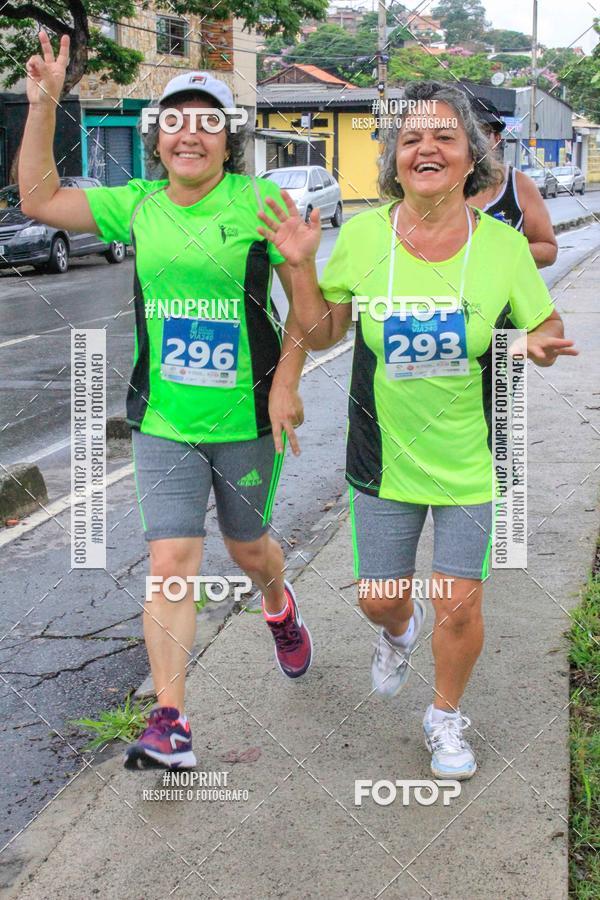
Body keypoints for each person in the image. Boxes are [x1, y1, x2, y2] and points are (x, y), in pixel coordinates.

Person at [257, 80, 577, 780]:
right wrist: (299, 267)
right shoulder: (367, 235)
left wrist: (538, 342)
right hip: (383, 457)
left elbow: (542, 325)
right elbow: (320, 329)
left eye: (443, 136)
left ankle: (444, 716)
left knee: (458, 603)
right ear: (394, 161)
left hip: (468, 454)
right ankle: (398, 633)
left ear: (472, 158)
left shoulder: (501, 247)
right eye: (409, 138)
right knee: (379, 597)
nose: (425, 147)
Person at [20, 32, 313, 770]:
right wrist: (45, 104)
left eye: (207, 119)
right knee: (171, 559)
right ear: (157, 139)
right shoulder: (139, 205)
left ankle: (278, 605)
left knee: (250, 549)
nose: (190, 132)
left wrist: (286, 380)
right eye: (175, 120)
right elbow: (38, 199)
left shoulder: (262, 202)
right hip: (164, 418)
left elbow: (316, 320)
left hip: (246, 417)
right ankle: (170, 720)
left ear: (228, 138)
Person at [467, 96, 558, 267]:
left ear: (497, 139)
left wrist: (498, 249)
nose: (475, 142)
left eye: (483, 132)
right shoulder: (440, 185)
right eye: (468, 133)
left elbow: (548, 251)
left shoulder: (518, 185)